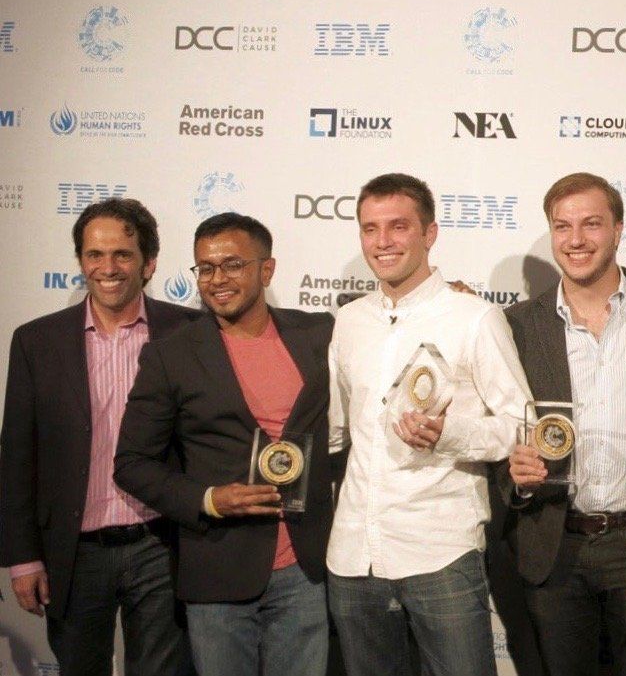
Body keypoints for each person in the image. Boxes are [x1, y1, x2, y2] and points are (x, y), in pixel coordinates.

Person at [326, 173, 531, 676]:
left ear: (429, 233)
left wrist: (451, 434)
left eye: (398, 227)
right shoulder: (349, 321)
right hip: (353, 554)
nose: (383, 242)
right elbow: (336, 428)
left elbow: (521, 425)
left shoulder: (475, 317)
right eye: (370, 229)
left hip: (440, 551)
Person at [114, 213, 335, 676]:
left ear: (266, 270)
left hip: (305, 568)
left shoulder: (319, 333)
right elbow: (132, 463)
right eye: (205, 268)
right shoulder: (171, 354)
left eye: (233, 265)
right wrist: (209, 499)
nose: (217, 280)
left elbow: (391, 335)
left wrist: (448, 297)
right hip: (218, 571)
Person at [505, 172, 626, 676]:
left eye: (591, 224)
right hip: (555, 544)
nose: (575, 240)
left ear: (618, 229)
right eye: (562, 226)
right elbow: (498, 431)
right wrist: (519, 480)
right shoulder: (518, 326)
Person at [0, 198, 195, 676]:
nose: (107, 268)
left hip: (161, 545)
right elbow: (17, 455)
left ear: (149, 263)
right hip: (74, 550)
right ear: (81, 262)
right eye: (94, 255)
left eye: (123, 255)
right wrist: (23, 558)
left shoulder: (188, 331)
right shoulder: (35, 341)